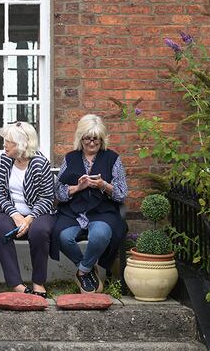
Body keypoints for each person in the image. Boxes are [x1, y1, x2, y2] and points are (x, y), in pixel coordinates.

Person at [53, 114, 128, 294]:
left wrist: (103, 185)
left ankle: (83, 271)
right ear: (81, 138)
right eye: (88, 138)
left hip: (102, 211)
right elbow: (58, 192)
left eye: (96, 139)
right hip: (73, 212)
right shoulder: (70, 158)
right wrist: (78, 187)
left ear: (102, 139)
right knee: (63, 237)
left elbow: (122, 194)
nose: (92, 143)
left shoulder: (112, 158)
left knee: (100, 235)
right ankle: (88, 268)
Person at [0, 122, 56, 298]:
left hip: (39, 212)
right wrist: (14, 214)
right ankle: (16, 284)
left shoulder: (40, 163)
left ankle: (38, 282)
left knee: (39, 231)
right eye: (5, 140)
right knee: (0, 226)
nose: (4, 144)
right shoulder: (4, 159)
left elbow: (47, 198)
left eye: (8, 141)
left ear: (22, 144)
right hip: (11, 210)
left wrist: (29, 218)